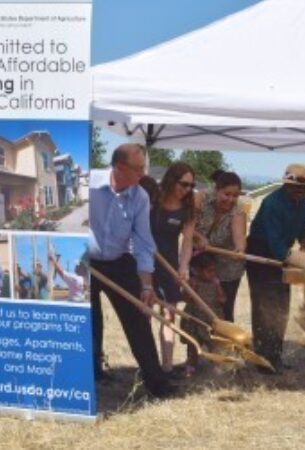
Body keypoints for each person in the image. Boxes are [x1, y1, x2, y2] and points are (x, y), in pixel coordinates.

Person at [88, 143, 175, 398]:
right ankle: (93, 374)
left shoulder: (140, 196)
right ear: (119, 167)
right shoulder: (87, 184)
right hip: (85, 261)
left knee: (138, 320)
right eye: (138, 169)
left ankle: (157, 383)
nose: (143, 175)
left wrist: (146, 285)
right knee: (89, 321)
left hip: (119, 261)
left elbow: (143, 243)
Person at [246, 163, 305, 373]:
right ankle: (262, 360)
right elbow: (274, 241)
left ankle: (276, 356)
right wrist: (294, 260)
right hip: (261, 255)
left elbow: (303, 224)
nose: (300, 193)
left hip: (284, 254)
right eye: (296, 188)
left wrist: (304, 239)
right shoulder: (272, 203)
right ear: (287, 186)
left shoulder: (302, 202)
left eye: (304, 189)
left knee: (282, 305)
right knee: (264, 307)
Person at [151, 162, 197, 377]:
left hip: (168, 265)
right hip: (144, 264)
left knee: (168, 316)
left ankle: (167, 367)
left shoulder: (187, 210)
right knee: (143, 314)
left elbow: (187, 242)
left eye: (191, 185)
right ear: (171, 180)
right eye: (184, 184)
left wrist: (183, 266)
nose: (187, 189)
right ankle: (148, 364)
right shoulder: (152, 200)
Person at [194, 170, 246, 322]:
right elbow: (187, 226)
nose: (231, 199)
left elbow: (240, 239)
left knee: (224, 310)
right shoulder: (201, 198)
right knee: (198, 308)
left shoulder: (238, 211)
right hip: (199, 263)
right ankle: (198, 344)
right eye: (227, 194)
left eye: (235, 195)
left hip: (227, 268)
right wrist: (199, 237)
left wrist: (239, 250)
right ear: (217, 190)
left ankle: (224, 345)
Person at [183, 253, 226, 374]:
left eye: (214, 271)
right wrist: (191, 290)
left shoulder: (215, 282)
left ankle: (217, 364)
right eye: (209, 271)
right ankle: (191, 366)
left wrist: (218, 288)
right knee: (193, 343)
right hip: (195, 318)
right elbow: (185, 299)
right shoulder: (192, 282)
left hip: (210, 318)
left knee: (214, 344)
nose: (213, 274)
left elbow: (222, 299)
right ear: (197, 271)